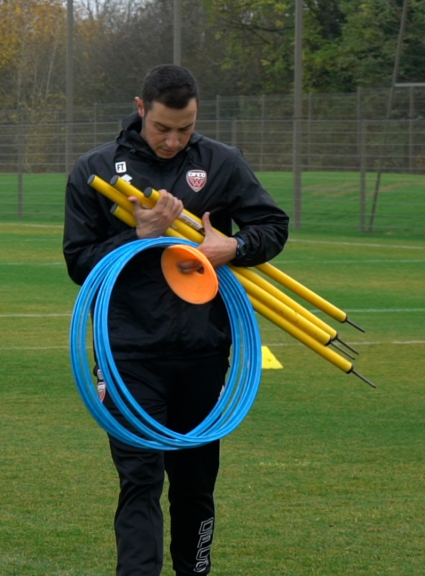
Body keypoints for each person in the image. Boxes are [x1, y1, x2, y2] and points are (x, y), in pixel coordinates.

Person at [62, 65, 289, 576]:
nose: (173, 140)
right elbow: (79, 263)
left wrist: (235, 246)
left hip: (203, 351)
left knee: (194, 483)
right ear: (141, 109)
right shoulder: (96, 168)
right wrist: (138, 236)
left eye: (184, 129)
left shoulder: (221, 162)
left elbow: (273, 226)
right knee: (140, 480)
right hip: (127, 354)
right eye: (163, 127)